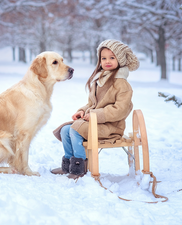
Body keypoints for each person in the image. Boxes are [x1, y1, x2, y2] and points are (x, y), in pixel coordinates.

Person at [51, 39, 140, 179]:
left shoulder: (122, 84)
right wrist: (82, 111)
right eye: (103, 58)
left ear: (120, 59)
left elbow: (120, 109)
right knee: (65, 130)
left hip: (111, 127)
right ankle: (69, 163)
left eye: (112, 57)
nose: (107, 61)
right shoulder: (100, 80)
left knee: (75, 130)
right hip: (95, 123)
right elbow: (92, 104)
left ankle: (80, 166)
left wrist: (96, 115)